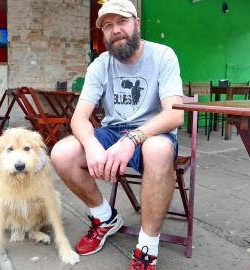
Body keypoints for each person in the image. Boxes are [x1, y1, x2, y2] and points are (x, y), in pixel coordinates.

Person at [50, 0, 184, 269]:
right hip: (112, 131)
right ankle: (104, 216)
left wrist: (133, 139)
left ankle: (147, 245)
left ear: (136, 22)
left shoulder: (162, 55)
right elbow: (79, 117)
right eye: (108, 26)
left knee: (157, 150)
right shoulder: (101, 64)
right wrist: (91, 145)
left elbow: (175, 114)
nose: (115, 30)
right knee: (61, 153)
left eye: (121, 22)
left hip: (153, 133)